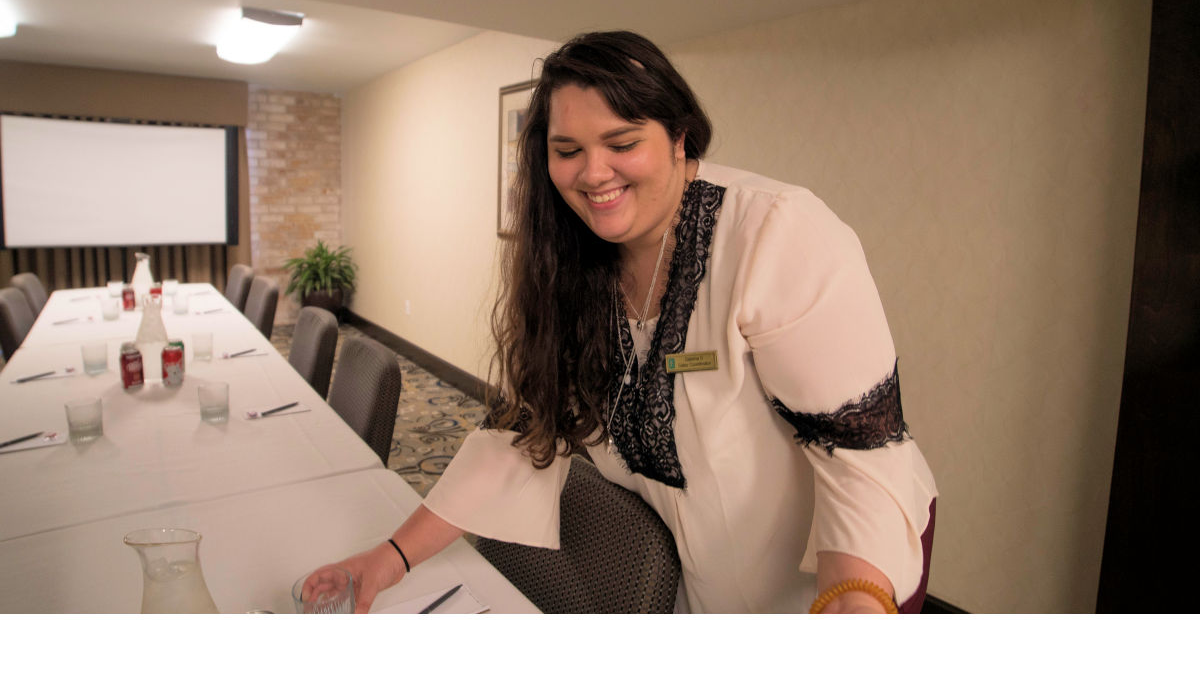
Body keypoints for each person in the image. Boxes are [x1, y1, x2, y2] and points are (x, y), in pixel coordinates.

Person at [305, 30, 937, 613]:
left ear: (680, 136)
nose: (594, 173)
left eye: (623, 143)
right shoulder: (574, 261)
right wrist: (387, 562)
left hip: (845, 579)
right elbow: (528, 433)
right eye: (568, 150)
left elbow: (859, 457)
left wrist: (852, 611)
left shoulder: (775, 234)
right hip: (700, 579)